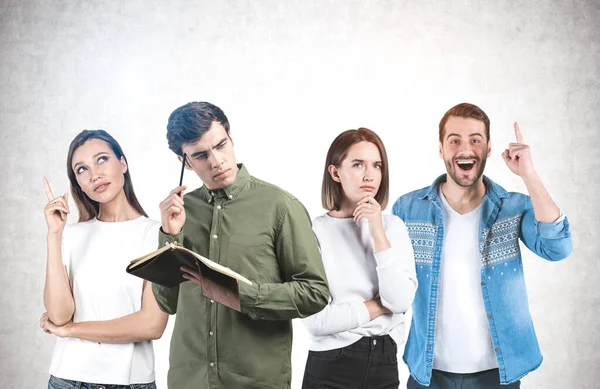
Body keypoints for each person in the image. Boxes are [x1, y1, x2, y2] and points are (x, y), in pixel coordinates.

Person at [392, 103, 573, 388]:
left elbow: (557, 247)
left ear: (488, 148)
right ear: (441, 149)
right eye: (455, 140)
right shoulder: (408, 209)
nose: (465, 149)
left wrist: (529, 174)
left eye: (475, 140)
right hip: (428, 373)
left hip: (496, 374)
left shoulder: (513, 207)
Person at [152, 101, 329, 389]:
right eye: (200, 155)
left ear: (230, 136)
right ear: (185, 162)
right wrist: (170, 234)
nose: (216, 161)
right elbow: (167, 303)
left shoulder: (280, 207)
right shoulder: (181, 213)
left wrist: (241, 294)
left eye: (221, 145)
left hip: (255, 381)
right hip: (189, 380)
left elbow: (315, 293)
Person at [40, 129, 168, 389]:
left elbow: (152, 325)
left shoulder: (156, 235)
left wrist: (72, 331)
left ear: (122, 163)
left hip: (130, 382)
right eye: (82, 169)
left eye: (101, 159)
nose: (94, 174)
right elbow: (59, 315)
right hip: (67, 379)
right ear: (78, 184)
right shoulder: (71, 235)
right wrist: (54, 235)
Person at [301, 128, 417, 389]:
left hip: (384, 362)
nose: (369, 175)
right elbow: (316, 321)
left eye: (377, 165)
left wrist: (376, 230)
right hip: (331, 366)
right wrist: (378, 306)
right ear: (335, 173)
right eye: (358, 164)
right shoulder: (314, 232)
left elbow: (399, 301)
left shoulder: (393, 227)